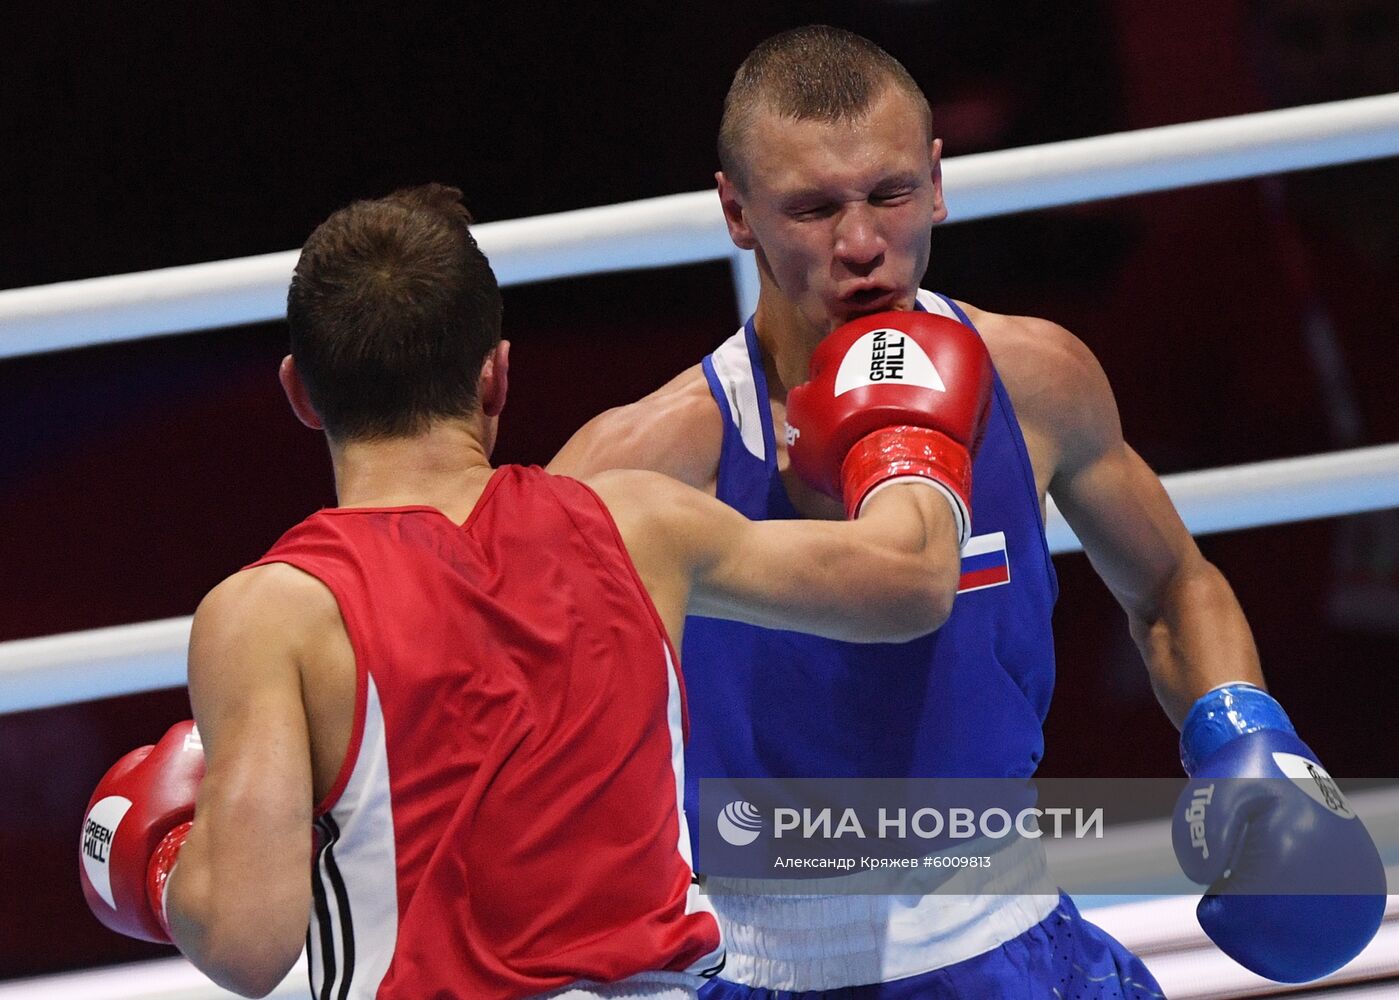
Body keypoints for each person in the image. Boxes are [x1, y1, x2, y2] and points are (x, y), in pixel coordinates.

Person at [549, 24, 1385, 996]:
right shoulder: (652, 457)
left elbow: (1170, 582)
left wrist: (1242, 733)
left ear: (937, 183)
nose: (861, 243)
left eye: (889, 195)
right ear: (736, 212)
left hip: (1018, 937)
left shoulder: (1032, 376)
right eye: (813, 208)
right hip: (767, 955)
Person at [76, 184, 1001, 999]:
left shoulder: (269, 616)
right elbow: (909, 581)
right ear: (496, 375)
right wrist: (899, 431)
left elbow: (245, 941)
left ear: (301, 394)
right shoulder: (640, 524)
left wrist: (165, 866)